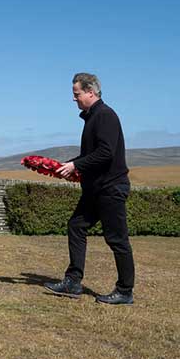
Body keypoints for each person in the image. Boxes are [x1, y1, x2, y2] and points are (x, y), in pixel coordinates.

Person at [44, 72, 135, 305]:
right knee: (76, 226)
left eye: (77, 94)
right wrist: (70, 167)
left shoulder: (105, 116)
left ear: (90, 92)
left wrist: (76, 164)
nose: (74, 99)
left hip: (111, 188)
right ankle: (73, 282)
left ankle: (125, 291)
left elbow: (106, 153)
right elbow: (90, 156)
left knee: (117, 239)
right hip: (95, 189)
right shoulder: (92, 118)